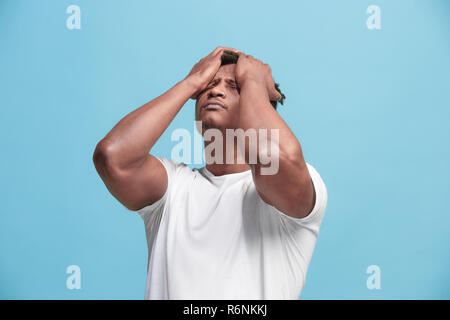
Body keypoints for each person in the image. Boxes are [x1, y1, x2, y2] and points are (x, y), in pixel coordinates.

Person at [93, 46, 328, 299]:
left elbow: (276, 156)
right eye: (210, 84)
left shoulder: (295, 186)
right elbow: (112, 156)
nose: (215, 90)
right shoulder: (173, 188)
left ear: (259, 101)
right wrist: (191, 82)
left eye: (234, 86)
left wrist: (254, 80)